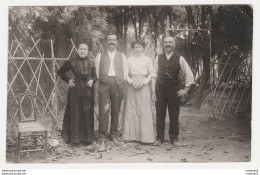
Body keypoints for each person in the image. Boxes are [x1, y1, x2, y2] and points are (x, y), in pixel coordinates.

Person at [152, 36, 194, 146]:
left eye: (170, 42)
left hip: (173, 89)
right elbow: (154, 75)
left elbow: (189, 73)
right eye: (166, 42)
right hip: (160, 88)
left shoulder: (179, 58)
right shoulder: (158, 58)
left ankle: (174, 138)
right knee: (160, 113)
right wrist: (153, 91)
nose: (168, 44)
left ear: (174, 45)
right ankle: (159, 138)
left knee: (174, 114)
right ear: (163, 44)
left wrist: (186, 89)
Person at [57, 41, 97, 146]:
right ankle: (75, 140)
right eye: (81, 49)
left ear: (88, 51)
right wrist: (68, 80)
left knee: (87, 113)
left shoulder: (91, 62)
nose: (83, 51)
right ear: (77, 50)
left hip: (88, 91)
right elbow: (60, 72)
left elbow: (95, 76)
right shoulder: (71, 61)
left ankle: (87, 139)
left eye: (85, 49)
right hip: (75, 91)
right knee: (75, 113)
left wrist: (92, 80)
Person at [95, 33, 128, 143]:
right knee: (103, 110)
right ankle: (102, 135)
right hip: (104, 83)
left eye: (114, 40)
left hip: (117, 83)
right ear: (106, 42)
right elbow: (96, 71)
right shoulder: (100, 55)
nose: (112, 42)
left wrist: (120, 81)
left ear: (117, 42)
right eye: (109, 40)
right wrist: (102, 80)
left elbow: (126, 71)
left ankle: (113, 134)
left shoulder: (122, 56)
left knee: (116, 110)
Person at [122, 40, 156, 143]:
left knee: (143, 109)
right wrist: (131, 82)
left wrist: (144, 82)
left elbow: (152, 74)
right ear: (133, 48)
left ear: (143, 48)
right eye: (136, 47)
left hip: (143, 86)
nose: (137, 49)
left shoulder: (147, 59)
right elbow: (125, 74)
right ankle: (131, 136)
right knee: (132, 109)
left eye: (140, 47)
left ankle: (145, 137)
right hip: (132, 86)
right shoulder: (129, 59)